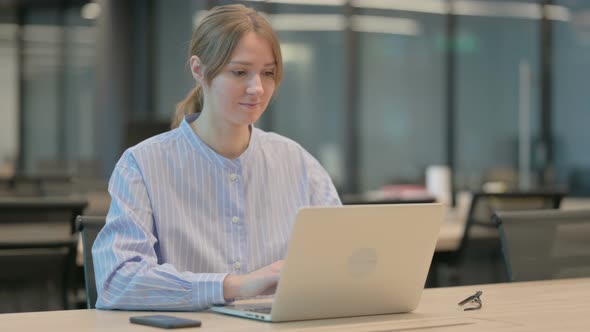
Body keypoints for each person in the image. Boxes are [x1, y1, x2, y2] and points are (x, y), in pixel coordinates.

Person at [92, 4, 341, 311]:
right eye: (239, 72)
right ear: (199, 70)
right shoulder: (142, 165)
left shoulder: (299, 163)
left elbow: (342, 263)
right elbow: (117, 282)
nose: (257, 88)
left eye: (268, 73)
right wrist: (232, 286)